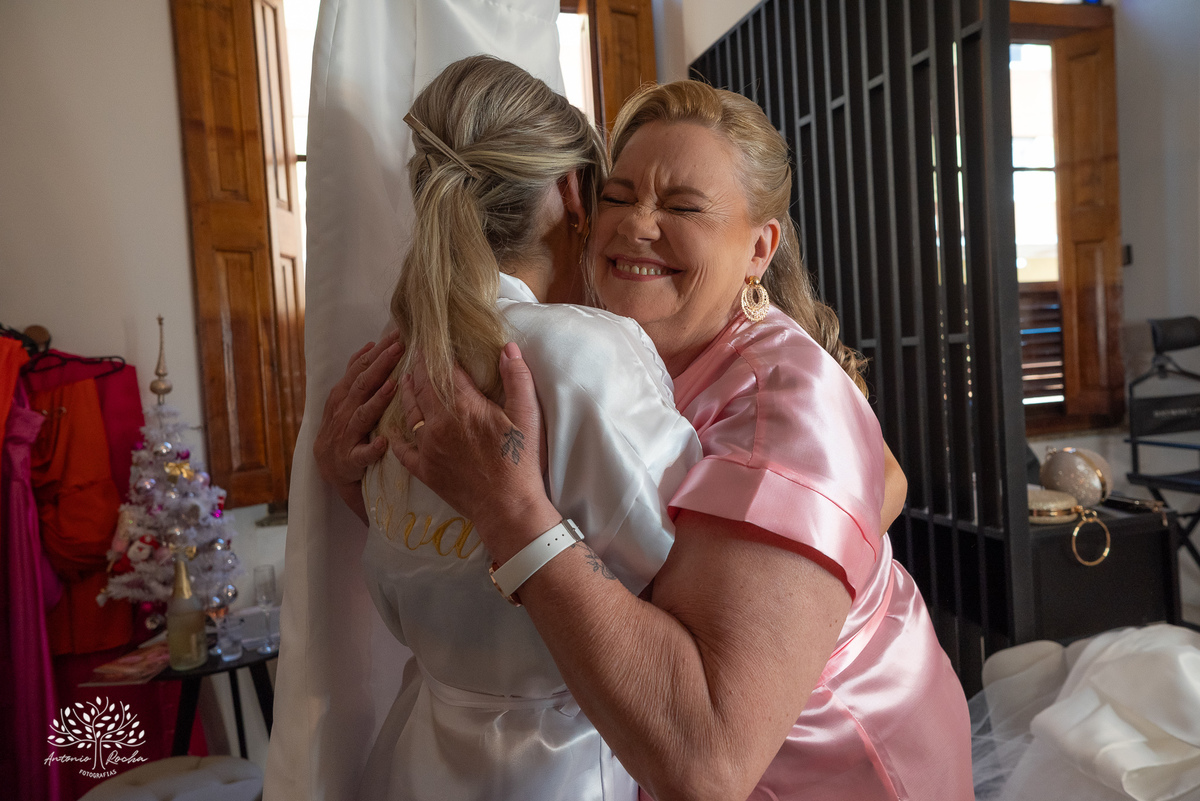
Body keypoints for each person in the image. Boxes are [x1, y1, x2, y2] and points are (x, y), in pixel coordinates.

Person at [367, 80, 975, 800]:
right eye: (618, 196)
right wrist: (360, 478)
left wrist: (513, 511)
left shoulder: (785, 396)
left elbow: (706, 761)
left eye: (683, 206)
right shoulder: (599, 347)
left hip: (823, 767)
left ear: (759, 248)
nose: (637, 225)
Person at [348, 56, 703, 800]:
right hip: (566, 767)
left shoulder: (403, 357)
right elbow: (688, 574)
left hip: (416, 760)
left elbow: (403, 582)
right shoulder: (580, 354)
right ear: (574, 191)